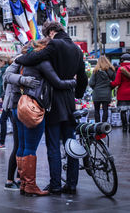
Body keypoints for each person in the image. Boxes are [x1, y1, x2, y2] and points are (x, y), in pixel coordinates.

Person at [15, 21, 88, 195]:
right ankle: (71, 184)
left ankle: (55, 184)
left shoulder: (55, 44)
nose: (47, 38)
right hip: (69, 101)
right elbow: (83, 77)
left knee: (53, 145)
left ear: (52, 32)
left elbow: (33, 58)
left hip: (53, 100)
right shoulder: (77, 50)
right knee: (71, 144)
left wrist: (19, 58)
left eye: (47, 35)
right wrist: (76, 93)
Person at [2, 59, 41, 190]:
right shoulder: (20, 61)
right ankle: (12, 179)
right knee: (20, 144)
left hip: (18, 106)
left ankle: (19, 178)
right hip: (19, 106)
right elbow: (7, 76)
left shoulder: (23, 62)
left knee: (20, 144)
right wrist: (24, 80)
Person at [111, 53, 130, 132]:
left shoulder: (121, 69)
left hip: (122, 93)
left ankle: (124, 127)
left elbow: (117, 82)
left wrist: (110, 84)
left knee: (123, 111)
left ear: (122, 60)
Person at [89, 56, 115, 123]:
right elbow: (115, 82)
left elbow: (91, 83)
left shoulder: (95, 71)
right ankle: (104, 126)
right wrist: (110, 88)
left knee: (96, 110)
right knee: (105, 110)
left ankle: (97, 126)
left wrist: (95, 88)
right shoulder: (110, 70)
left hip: (97, 93)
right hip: (106, 94)